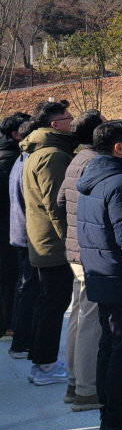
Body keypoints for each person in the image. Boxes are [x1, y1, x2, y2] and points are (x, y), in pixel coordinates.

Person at [76, 119, 122, 430]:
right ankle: (117, 421)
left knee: (110, 347)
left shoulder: (93, 177)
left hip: (102, 276)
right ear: (119, 148)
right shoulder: (120, 183)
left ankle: (113, 415)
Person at [22, 100, 77, 386]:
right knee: (54, 303)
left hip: (43, 239)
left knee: (48, 302)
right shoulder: (52, 155)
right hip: (53, 243)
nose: (73, 121)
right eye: (69, 118)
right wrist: (70, 242)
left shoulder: (38, 151)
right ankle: (45, 366)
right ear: (55, 125)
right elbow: (57, 205)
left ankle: (41, 361)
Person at [58, 109, 106, 411]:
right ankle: (87, 391)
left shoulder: (77, 159)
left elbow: (60, 201)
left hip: (75, 248)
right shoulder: (95, 162)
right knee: (90, 319)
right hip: (90, 251)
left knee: (78, 315)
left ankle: (75, 383)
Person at [6, 115, 35, 358]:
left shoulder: (19, 158)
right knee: (27, 288)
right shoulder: (21, 160)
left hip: (18, 231)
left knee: (23, 286)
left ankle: (18, 336)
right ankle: (21, 341)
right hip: (27, 234)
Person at [0, 112, 29, 342]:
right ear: (16, 134)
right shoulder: (11, 160)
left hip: (9, 226)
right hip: (9, 228)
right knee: (10, 277)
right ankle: (9, 325)